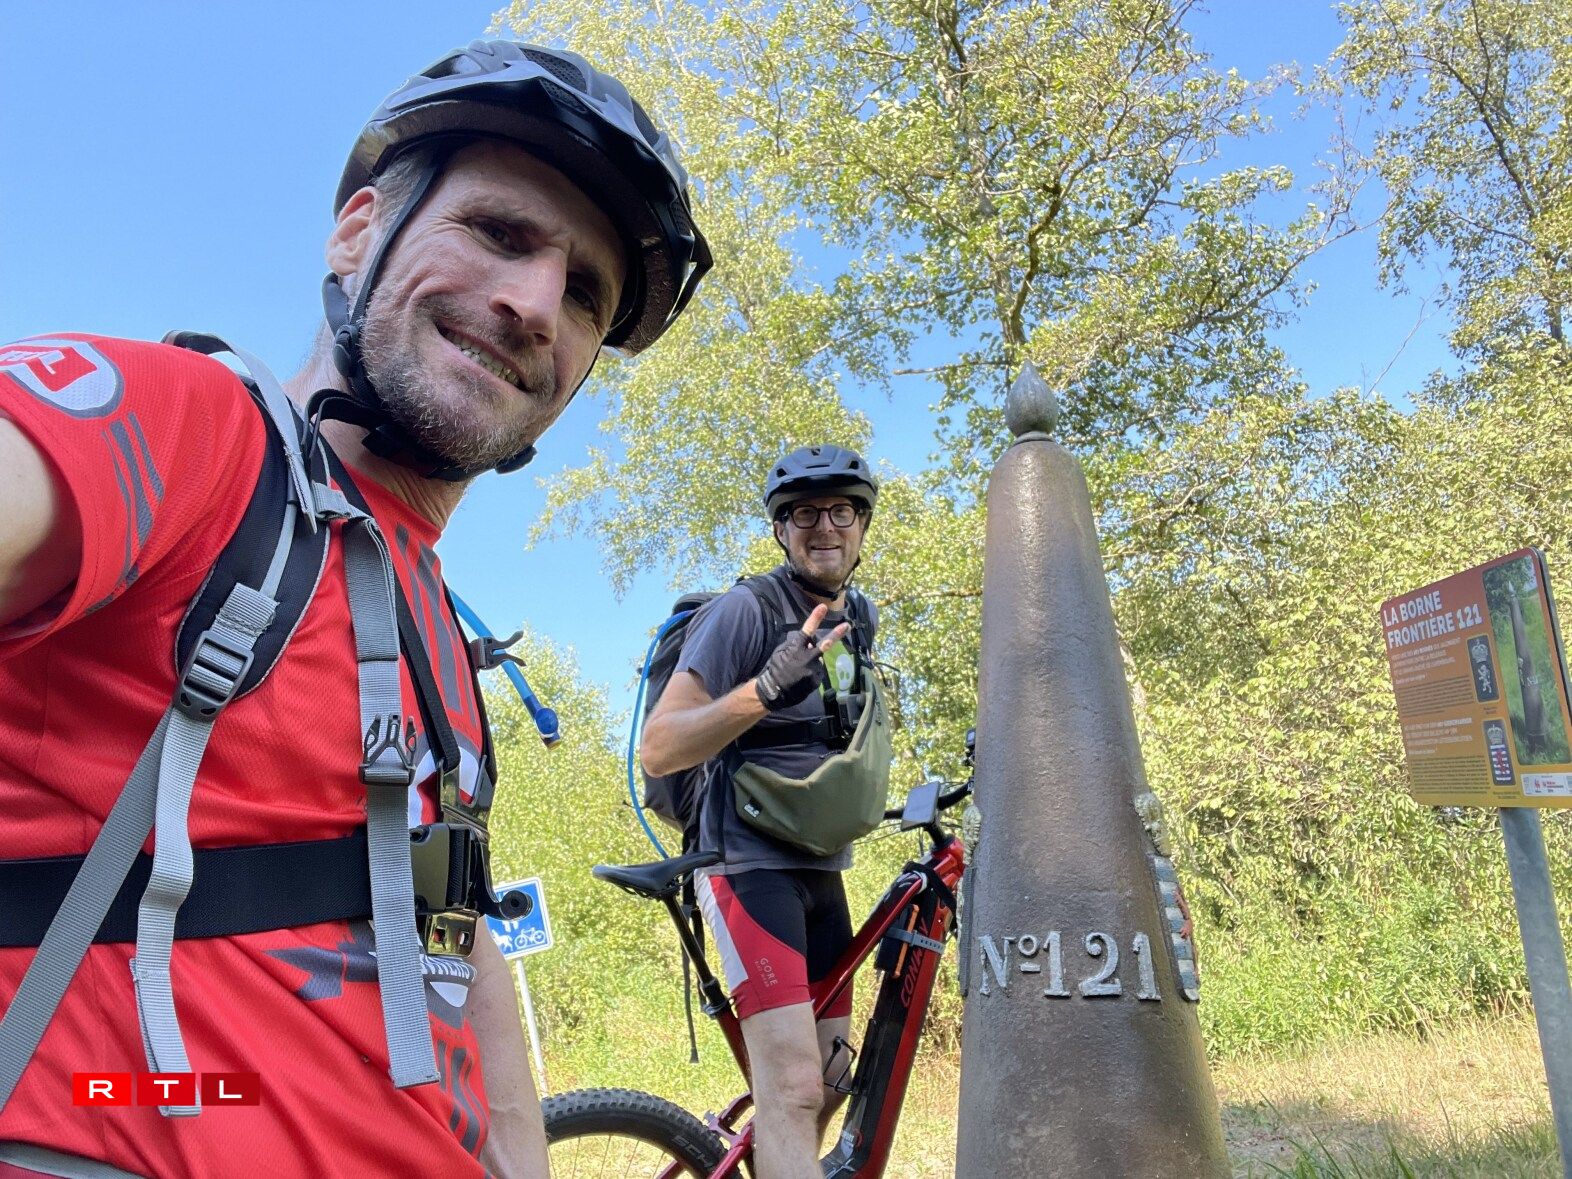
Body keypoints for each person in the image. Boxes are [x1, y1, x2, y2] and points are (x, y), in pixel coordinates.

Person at [0, 40, 708, 1179]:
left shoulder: (438, 637)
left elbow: (451, 935)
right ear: (358, 231)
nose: (536, 304)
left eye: (586, 293)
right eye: (498, 232)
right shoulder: (193, 434)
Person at [640, 445, 893, 1179]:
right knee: (791, 1087)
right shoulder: (745, 611)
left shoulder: (859, 618)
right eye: (804, 514)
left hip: (821, 865)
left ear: (861, 524)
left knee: (832, 1077)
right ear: (781, 530)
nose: (825, 527)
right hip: (746, 864)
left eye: (841, 511)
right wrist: (764, 689)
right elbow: (660, 747)